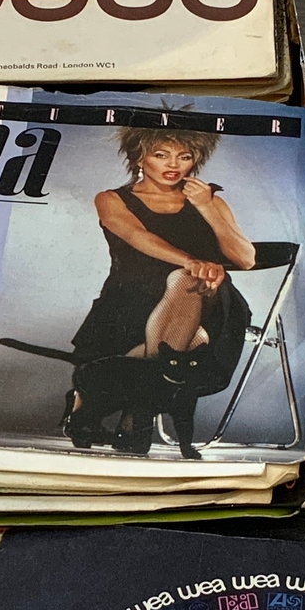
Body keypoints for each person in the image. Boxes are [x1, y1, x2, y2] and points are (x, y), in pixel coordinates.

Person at [63, 127, 256, 448]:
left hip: (210, 303)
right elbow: (138, 237)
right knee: (189, 314)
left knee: (186, 281)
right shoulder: (112, 199)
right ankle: (136, 415)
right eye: (161, 155)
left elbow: (246, 259)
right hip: (134, 302)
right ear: (140, 158)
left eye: (185, 156)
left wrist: (207, 208)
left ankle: (92, 406)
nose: (174, 165)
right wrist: (191, 261)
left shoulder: (210, 201)